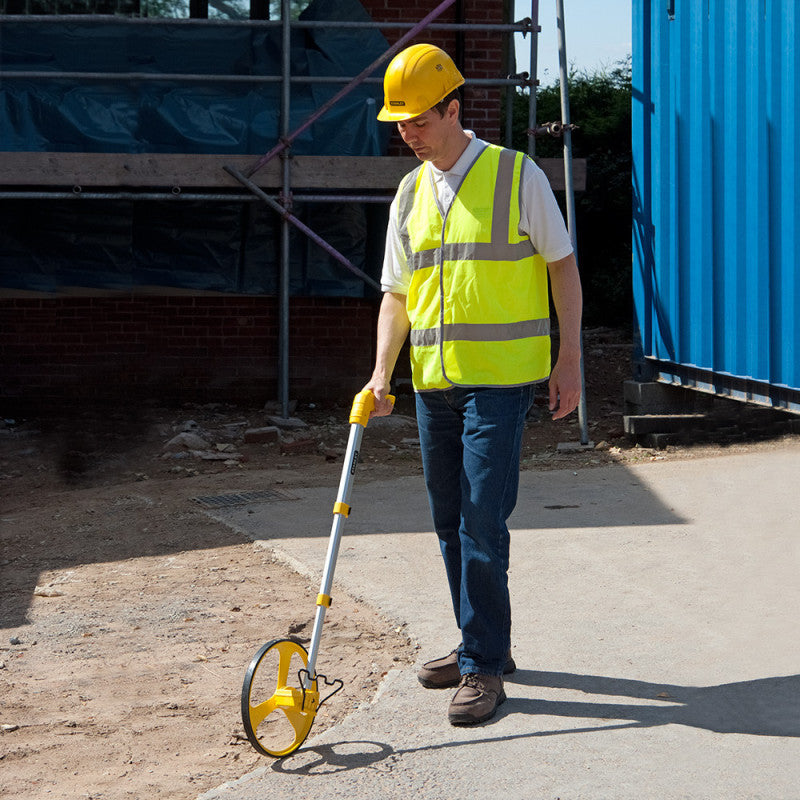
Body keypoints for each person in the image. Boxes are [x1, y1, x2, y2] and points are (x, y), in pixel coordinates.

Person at [362, 43, 583, 726]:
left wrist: (569, 357)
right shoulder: (409, 192)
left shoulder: (517, 177)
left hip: (502, 383)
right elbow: (396, 295)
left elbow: (562, 267)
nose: (407, 134)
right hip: (435, 386)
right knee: (447, 521)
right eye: (398, 123)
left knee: (482, 520)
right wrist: (380, 374)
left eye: (419, 120)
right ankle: (475, 642)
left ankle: (485, 666)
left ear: (455, 109)